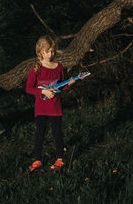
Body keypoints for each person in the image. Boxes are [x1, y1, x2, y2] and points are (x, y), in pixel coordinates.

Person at [25, 35, 76, 171]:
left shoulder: (58, 67)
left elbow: (61, 86)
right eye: (47, 51)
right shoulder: (36, 68)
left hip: (55, 107)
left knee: (57, 132)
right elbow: (29, 88)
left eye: (53, 51)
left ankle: (60, 159)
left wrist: (69, 84)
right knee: (40, 133)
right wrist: (43, 92)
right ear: (40, 51)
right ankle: (37, 160)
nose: (51, 54)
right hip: (41, 108)